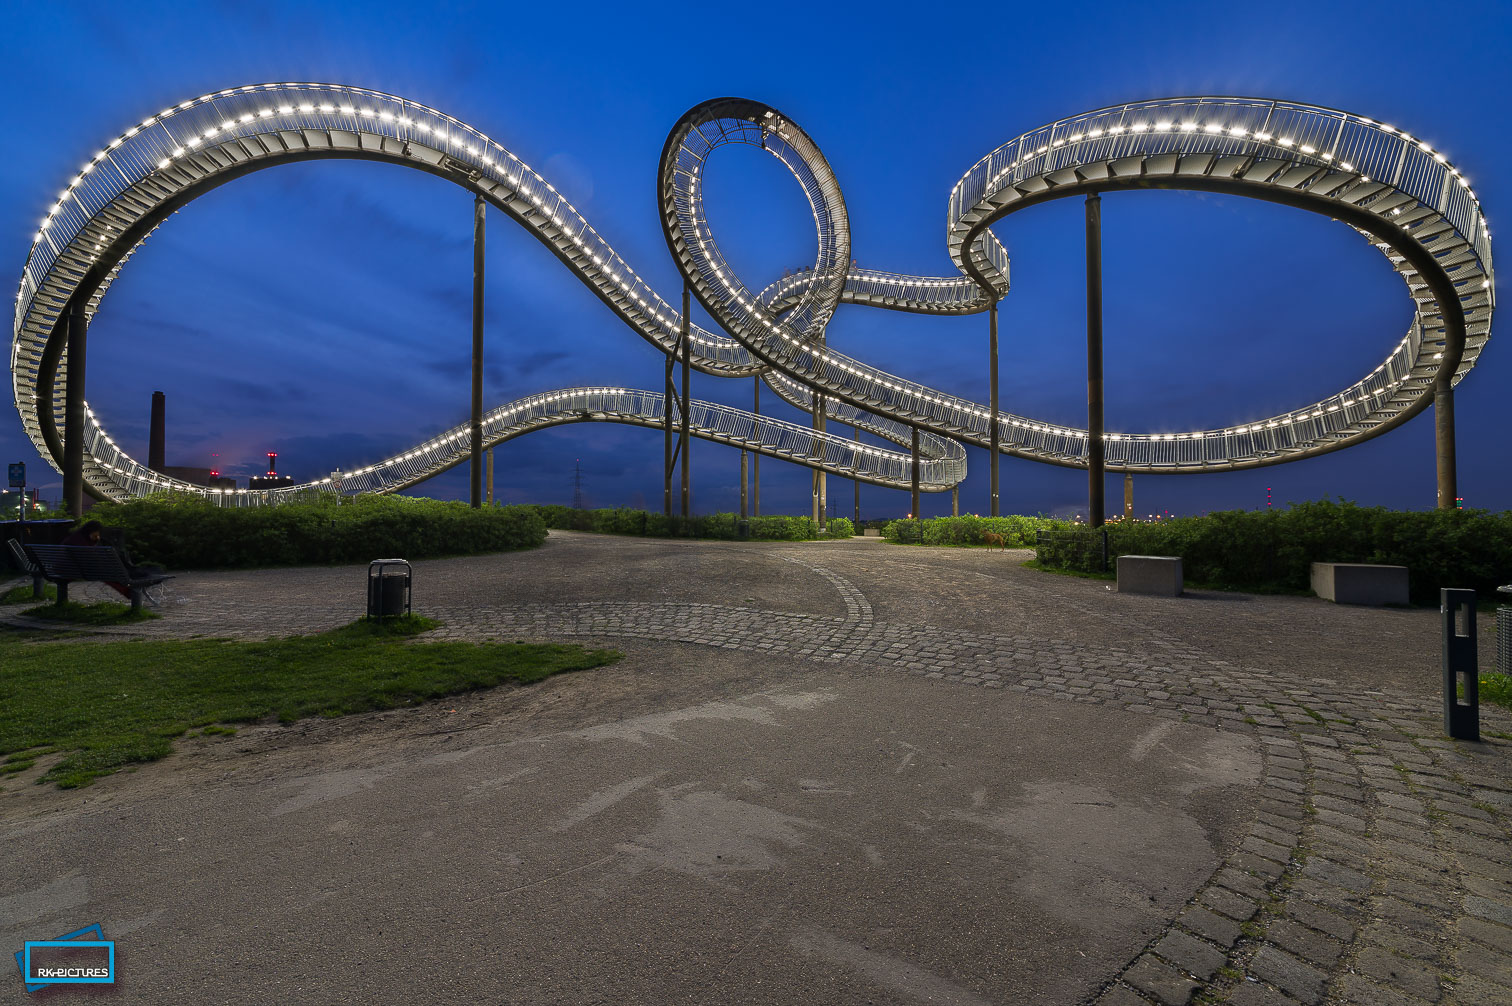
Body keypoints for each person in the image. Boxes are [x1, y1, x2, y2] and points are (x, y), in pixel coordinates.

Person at [60, 519, 165, 601]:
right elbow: (90, 559)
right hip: (76, 571)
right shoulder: (80, 542)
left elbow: (87, 558)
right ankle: (130, 590)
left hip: (65, 570)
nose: (98, 536)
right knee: (109, 572)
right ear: (90, 531)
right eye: (96, 533)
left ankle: (130, 589)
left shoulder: (76, 538)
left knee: (108, 572)